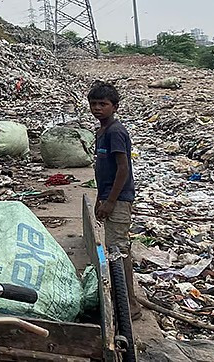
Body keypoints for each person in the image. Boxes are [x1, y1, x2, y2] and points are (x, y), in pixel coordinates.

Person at [89, 81, 140, 320]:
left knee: (119, 252)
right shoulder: (102, 131)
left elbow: (123, 169)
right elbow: (103, 170)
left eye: (103, 104)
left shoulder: (116, 132)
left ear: (115, 107)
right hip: (109, 196)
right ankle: (123, 300)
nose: (97, 108)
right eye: (94, 104)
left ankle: (129, 305)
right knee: (114, 250)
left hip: (119, 199)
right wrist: (101, 199)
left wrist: (110, 201)